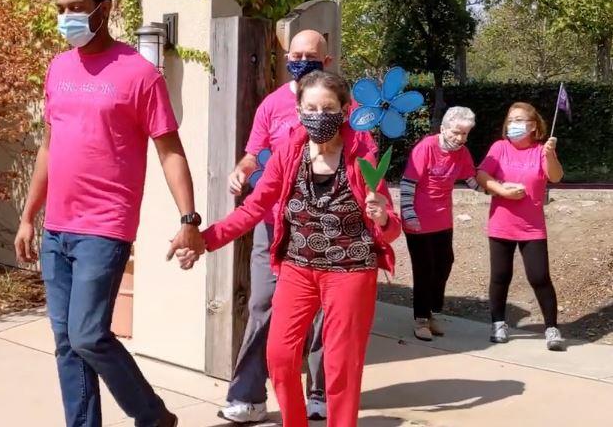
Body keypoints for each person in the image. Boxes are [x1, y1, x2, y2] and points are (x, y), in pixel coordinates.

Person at [13, 0, 204, 427]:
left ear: (104, 8)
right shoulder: (58, 68)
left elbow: (170, 150)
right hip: (57, 226)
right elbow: (49, 146)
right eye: (60, 9)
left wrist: (188, 220)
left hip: (104, 226)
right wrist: (28, 215)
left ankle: (151, 414)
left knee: (88, 335)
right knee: (65, 340)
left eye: (76, 7)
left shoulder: (139, 73)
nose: (66, 18)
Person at [173, 71, 401, 427]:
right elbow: (252, 209)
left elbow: (391, 231)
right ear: (298, 111)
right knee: (280, 354)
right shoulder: (288, 155)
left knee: (340, 364)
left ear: (344, 110)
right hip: (298, 269)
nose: (318, 115)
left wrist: (384, 217)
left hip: (351, 272)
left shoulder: (362, 160)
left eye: (327, 107)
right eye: (310, 107)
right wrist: (203, 240)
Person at [221, 30, 333, 423]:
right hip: (273, 227)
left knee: (322, 312)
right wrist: (240, 170)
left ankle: (320, 393)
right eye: (295, 54)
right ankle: (248, 396)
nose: (301, 60)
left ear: (327, 61)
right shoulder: (271, 105)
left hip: (322, 227)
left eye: (310, 55)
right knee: (261, 305)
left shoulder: (337, 103)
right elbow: (253, 156)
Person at [476, 102, 565, 351]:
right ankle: (498, 323)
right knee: (500, 276)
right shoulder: (499, 148)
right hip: (501, 224)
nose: (514, 124)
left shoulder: (540, 150)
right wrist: (502, 190)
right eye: (511, 120)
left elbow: (555, 176)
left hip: (532, 227)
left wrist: (549, 154)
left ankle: (551, 328)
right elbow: (481, 175)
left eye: (520, 120)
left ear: (533, 125)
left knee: (539, 277)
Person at [400, 106, 481, 341]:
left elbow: (471, 179)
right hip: (418, 220)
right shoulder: (426, 147)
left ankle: (433, 311)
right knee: (424, 269)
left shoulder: (462, 153)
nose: (460, 138)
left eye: (465, 134)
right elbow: (407, 183)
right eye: (456, 132)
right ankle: (421, 319)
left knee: (445, 263)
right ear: (444, 128)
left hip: (442, 219)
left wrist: (496, 190)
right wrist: (408, 213)